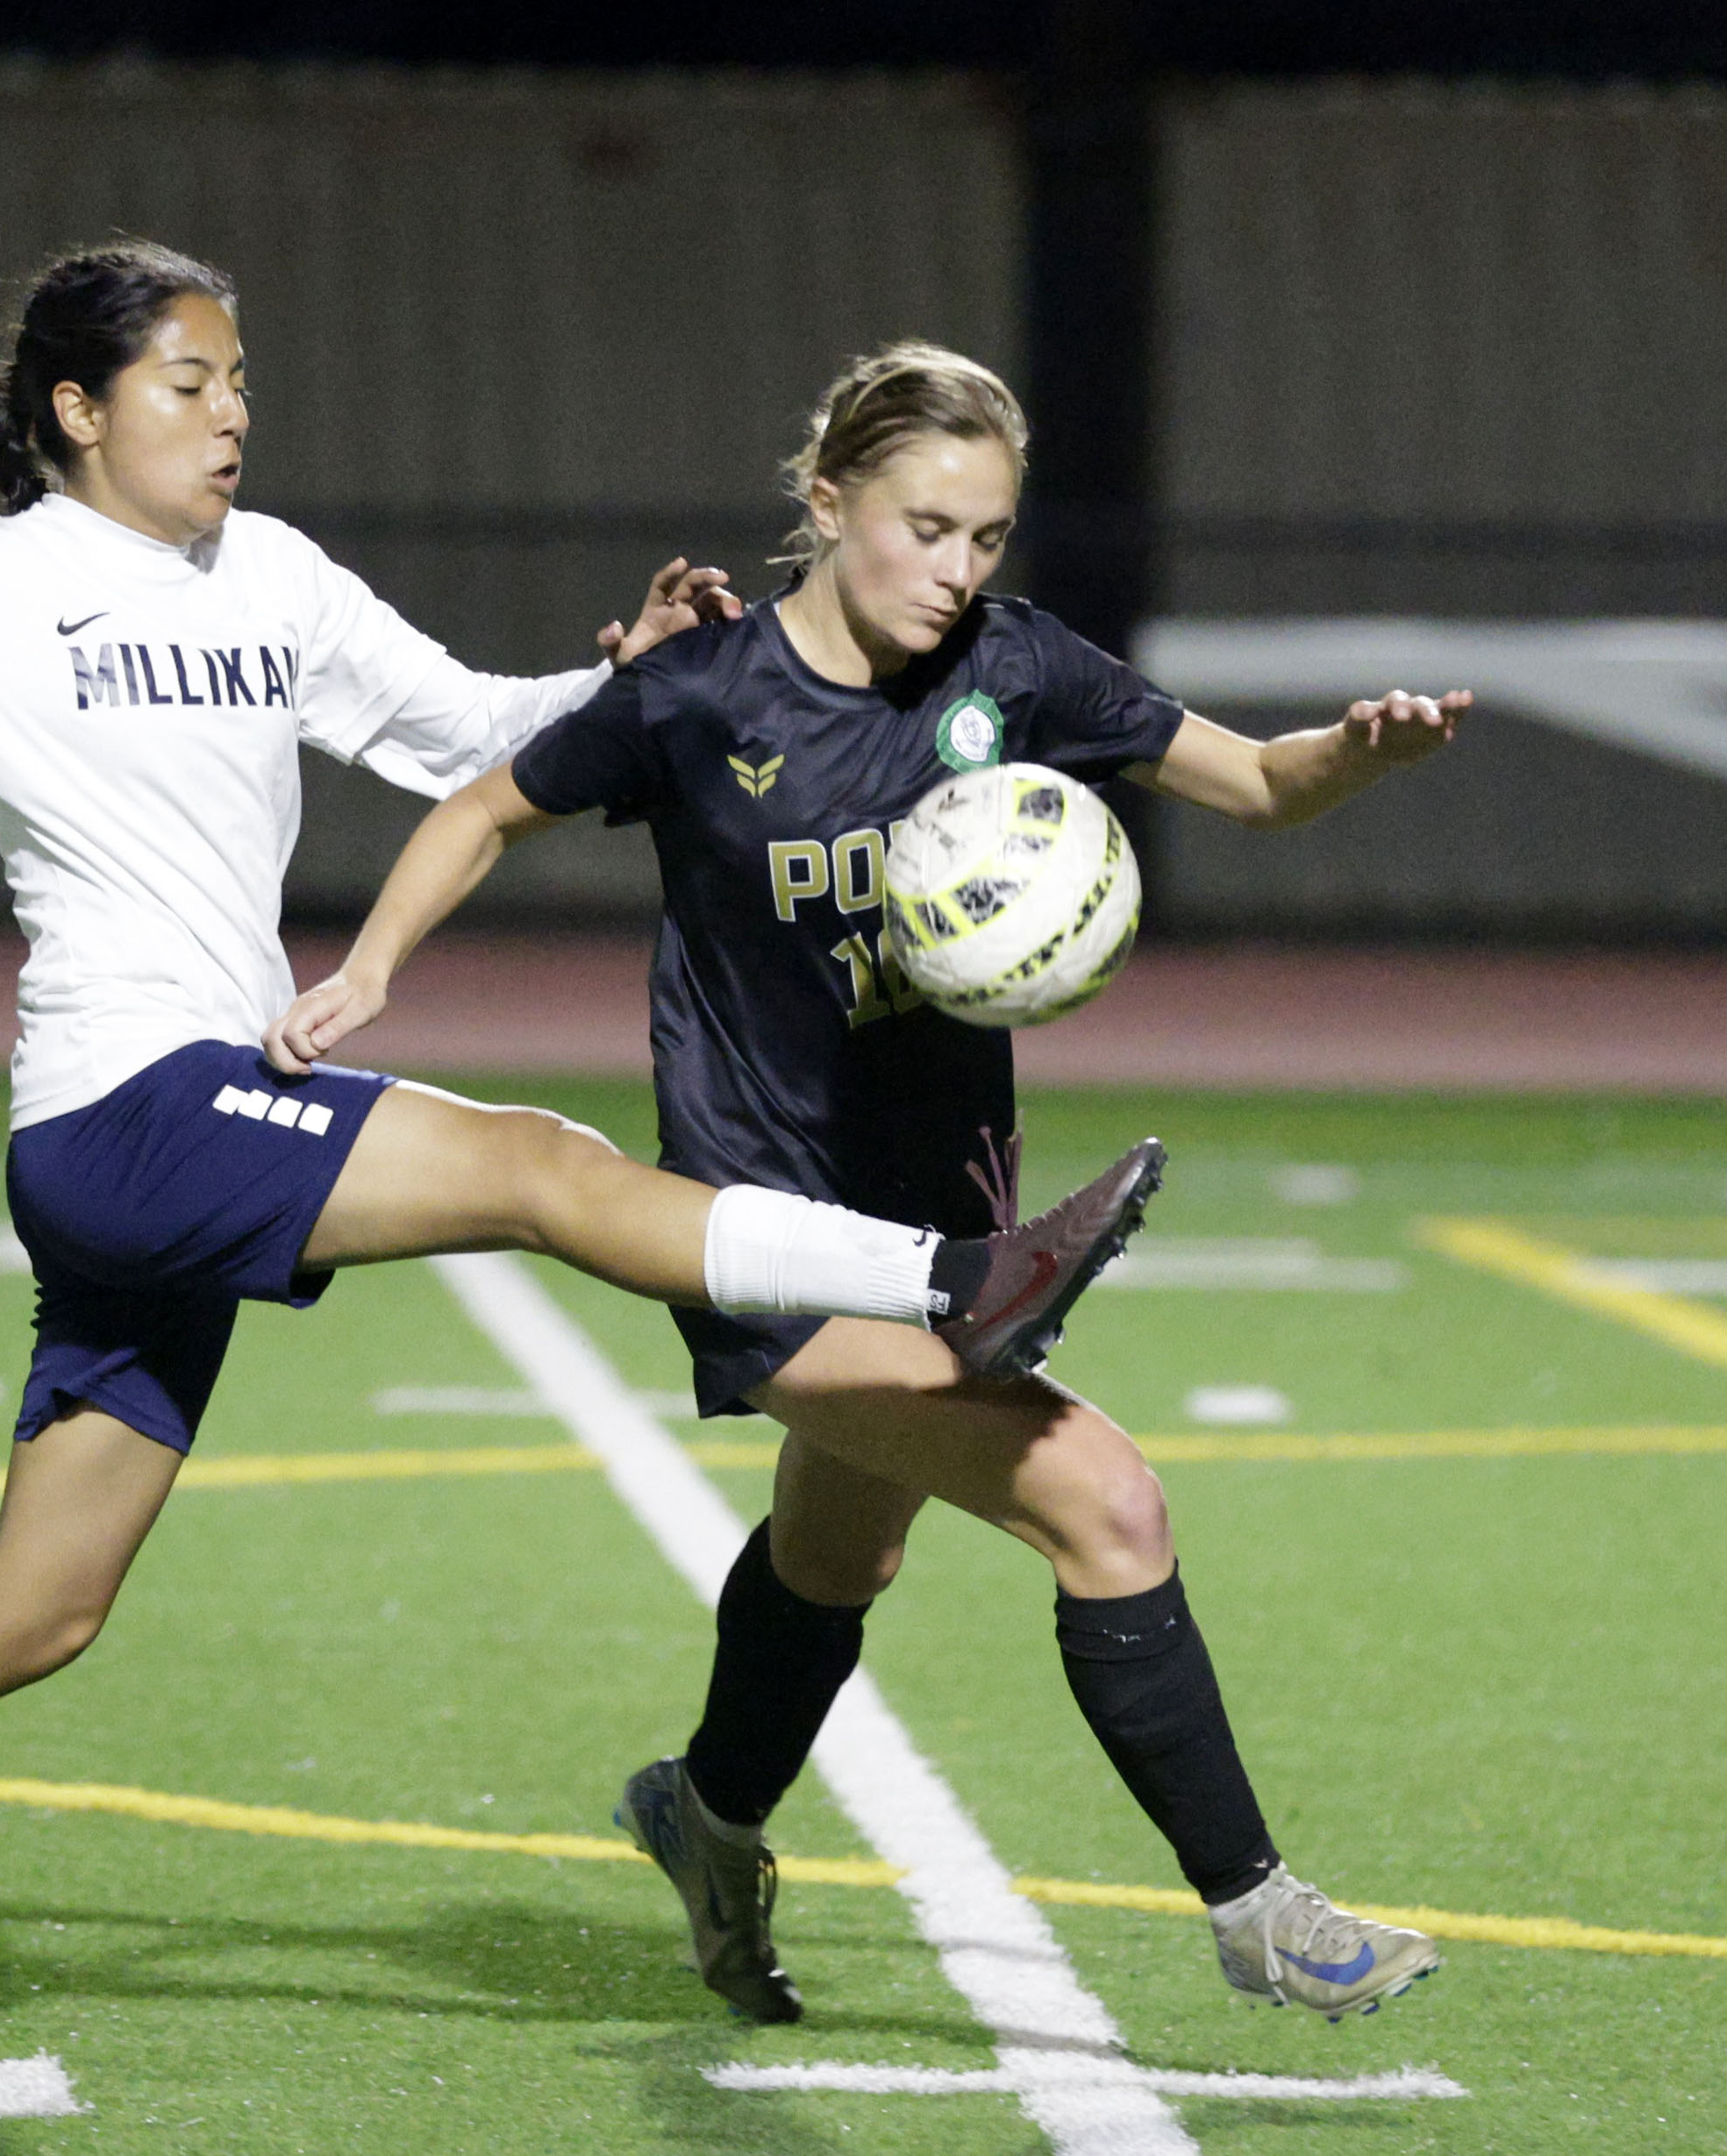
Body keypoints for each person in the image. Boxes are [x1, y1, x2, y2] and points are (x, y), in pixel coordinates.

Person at [0, 252, 1159, 2051]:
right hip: (125, 1108)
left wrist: (621, 672)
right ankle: (952, 1276)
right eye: (188, 382)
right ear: (78, 409)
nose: (231, 411)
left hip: (173, 1137)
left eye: (238, 379)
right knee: (539, 1168)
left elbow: (470, 730)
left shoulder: (273, 577)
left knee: (33, 1608)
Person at [271, 341, 1474, 2025]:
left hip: (949, 1228)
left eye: (987, 536)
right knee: (1106, 1503)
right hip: (764, 1235)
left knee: (839, 1558)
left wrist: (1356, 750)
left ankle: (705, 1816)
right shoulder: (704, 697)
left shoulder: (1014, 667)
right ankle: (1258, 1909)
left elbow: (1263, 784)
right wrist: (370, 968)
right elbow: (484, 809)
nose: (958, 570)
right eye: (926, 528)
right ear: (830, 505)